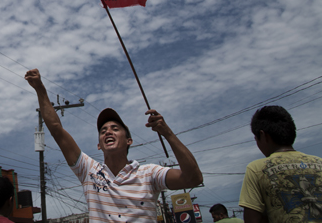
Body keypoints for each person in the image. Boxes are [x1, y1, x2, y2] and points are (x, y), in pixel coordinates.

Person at [25, 68, 202, 222]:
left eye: (115, 128)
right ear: (99, 145)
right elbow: (56, 130)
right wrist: (40, 89)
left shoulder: (150, 174)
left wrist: (168, 133)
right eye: (103, 131)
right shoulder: (89, 171)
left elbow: (193, 178)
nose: (108, 132)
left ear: (129, 141)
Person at [239, 105, 322, 222]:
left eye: (256, 138)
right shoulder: (319, 162)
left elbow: (252, 219)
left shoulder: (256, 169)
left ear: (263, 135)